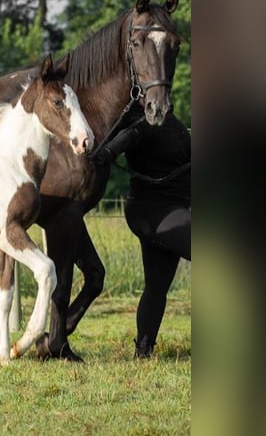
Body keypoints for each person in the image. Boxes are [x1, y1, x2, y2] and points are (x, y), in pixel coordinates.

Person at [93, 104, 191, 358]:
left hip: (170, 210)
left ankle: (143, 352)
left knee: (157, 286)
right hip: (152, 211)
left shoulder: (173, 123)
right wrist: (103, 153)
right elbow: (114, 148)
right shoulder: (141, 125)